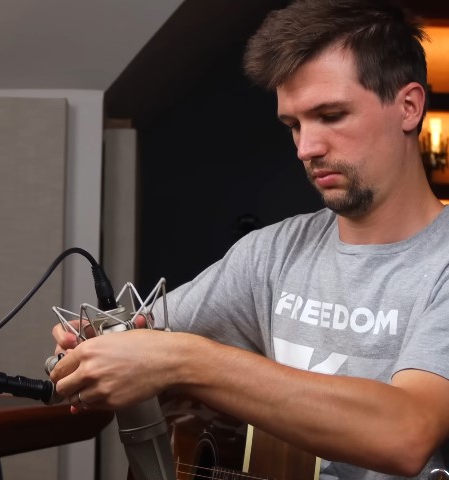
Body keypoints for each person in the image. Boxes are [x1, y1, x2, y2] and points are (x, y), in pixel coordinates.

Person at [49, 0, 449, 478]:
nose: (306, 148)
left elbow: (405, 435)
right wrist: (94, 351)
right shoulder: (272, 254)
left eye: (331, 115)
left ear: (408, 107)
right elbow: (141, 344)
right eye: (294, 125)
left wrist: (185, 359)